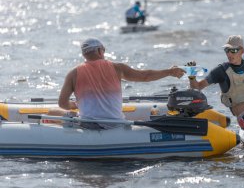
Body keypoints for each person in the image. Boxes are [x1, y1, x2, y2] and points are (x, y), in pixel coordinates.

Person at [49, 37, 184, 129]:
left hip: (88, 125)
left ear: (85, 54)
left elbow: (62, 103)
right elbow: (145, 76)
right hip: (116, 124)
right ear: (99, 51)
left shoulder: (73, 73)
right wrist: (169, 72)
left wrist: (73, 105)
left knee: (52, 112)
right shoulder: (117, 68)